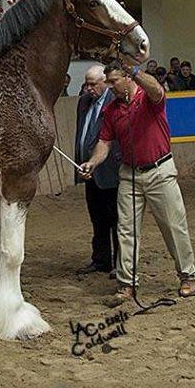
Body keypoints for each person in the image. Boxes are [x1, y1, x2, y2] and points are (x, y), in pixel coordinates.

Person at [79, 59, 195, 304]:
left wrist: (135, 69)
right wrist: (93, 162)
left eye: (114, 81)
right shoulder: (111, 111)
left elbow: (156, 89)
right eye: (108, 82)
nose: (110, 87)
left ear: (128, 78)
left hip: (159, 171)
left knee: (174, 226)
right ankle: (127, 284)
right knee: (125, 230)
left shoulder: (149, 99)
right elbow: (104, 142)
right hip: (129, 174)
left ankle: (187, 275)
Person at [74, 64, 120, 278]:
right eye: (86, 84)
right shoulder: (83, 102)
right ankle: (101, 259)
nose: (88, 88)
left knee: (116, 220)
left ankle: (120, 264)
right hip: (87, 169)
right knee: (97, 218)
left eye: (93, 84)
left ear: (105, 82)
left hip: (111, 169)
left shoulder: (115, 101)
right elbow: (82, 132)